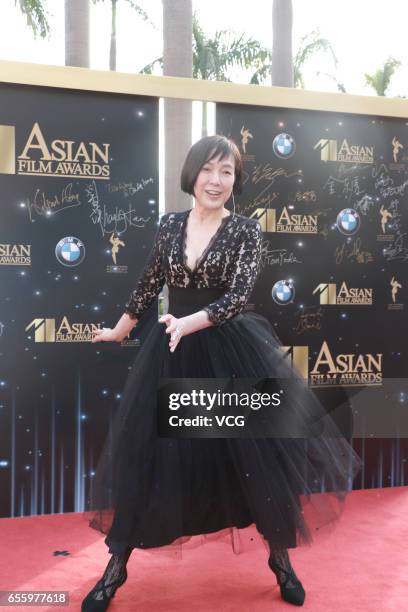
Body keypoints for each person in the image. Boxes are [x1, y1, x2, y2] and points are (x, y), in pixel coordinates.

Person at [82, 135, 361, 610]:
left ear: (235, 180)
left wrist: (188, 323)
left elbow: (236, 297)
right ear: (192, 175)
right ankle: (114, 572)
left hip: (229, 351)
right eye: (209, 170)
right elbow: (148, 284)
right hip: (170, 351)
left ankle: (280, 561)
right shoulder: (169, 226)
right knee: (150, 462)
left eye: (227, 172)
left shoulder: (246, 230)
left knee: (257, 462)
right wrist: (118, 329)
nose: (217, 180)